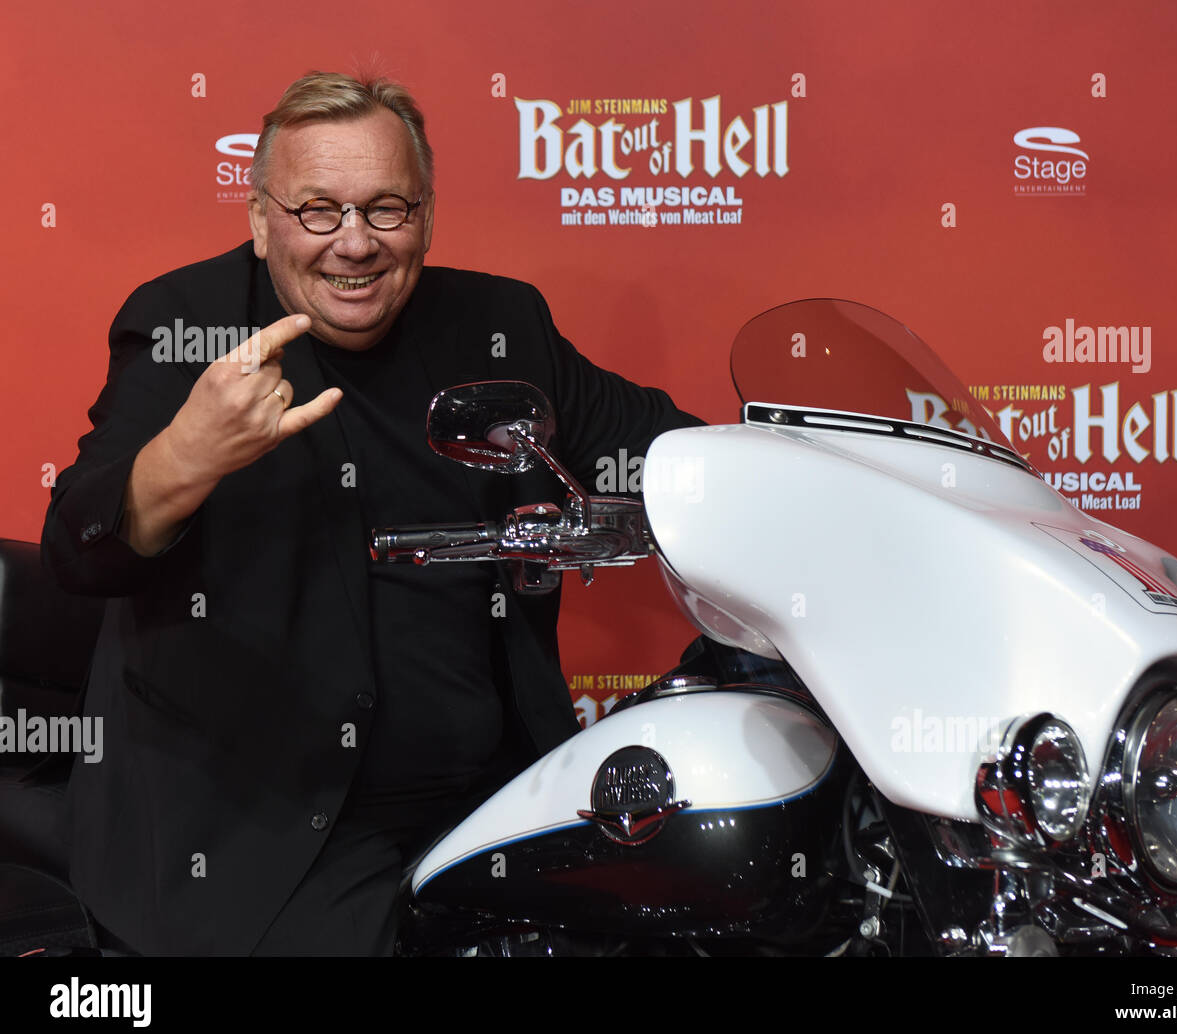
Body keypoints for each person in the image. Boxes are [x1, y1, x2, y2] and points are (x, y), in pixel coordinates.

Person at [41, 71, 701, 955]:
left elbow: (667, 451)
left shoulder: (501, 322)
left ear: (425, 217)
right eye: (318, 209)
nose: (353, 243)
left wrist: (809, 467)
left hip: (490, 798)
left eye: (386, 208)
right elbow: (79, 546)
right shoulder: (185, 323)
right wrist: (182, 458)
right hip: (258, 828)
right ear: (258, 218)